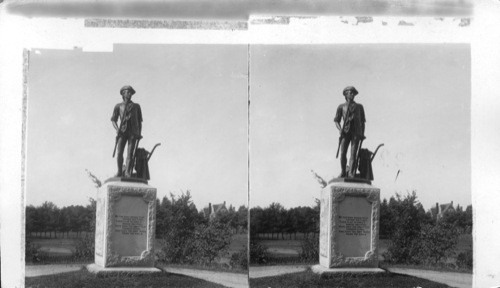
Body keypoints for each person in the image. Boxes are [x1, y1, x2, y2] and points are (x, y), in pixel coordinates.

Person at [111, 85, 143, 177]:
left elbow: (140, 121)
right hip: (122, 132)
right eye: (127, 92)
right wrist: (117, 129)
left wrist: (139, 134)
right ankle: (120, 171)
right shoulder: (118, 106)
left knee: (130, 153)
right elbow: (113, 119)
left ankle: (128, 172)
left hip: (133, 132)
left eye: (130, 92)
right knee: (119, 152)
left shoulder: (137, 106)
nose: (130, 94)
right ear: (123, 94)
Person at [334, 86, 366, 178]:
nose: (352, 94)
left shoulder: (360, 107)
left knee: (353, 154)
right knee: (343, 153)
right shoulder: (341, 107)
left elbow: (363, 122)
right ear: (346, 94)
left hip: (356, 133)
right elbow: (336, 120)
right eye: (350, 92)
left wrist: (362, 134)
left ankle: (351, 173)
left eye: (353, 93)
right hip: (345, 133)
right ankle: (343, 171)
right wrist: (340, 130)